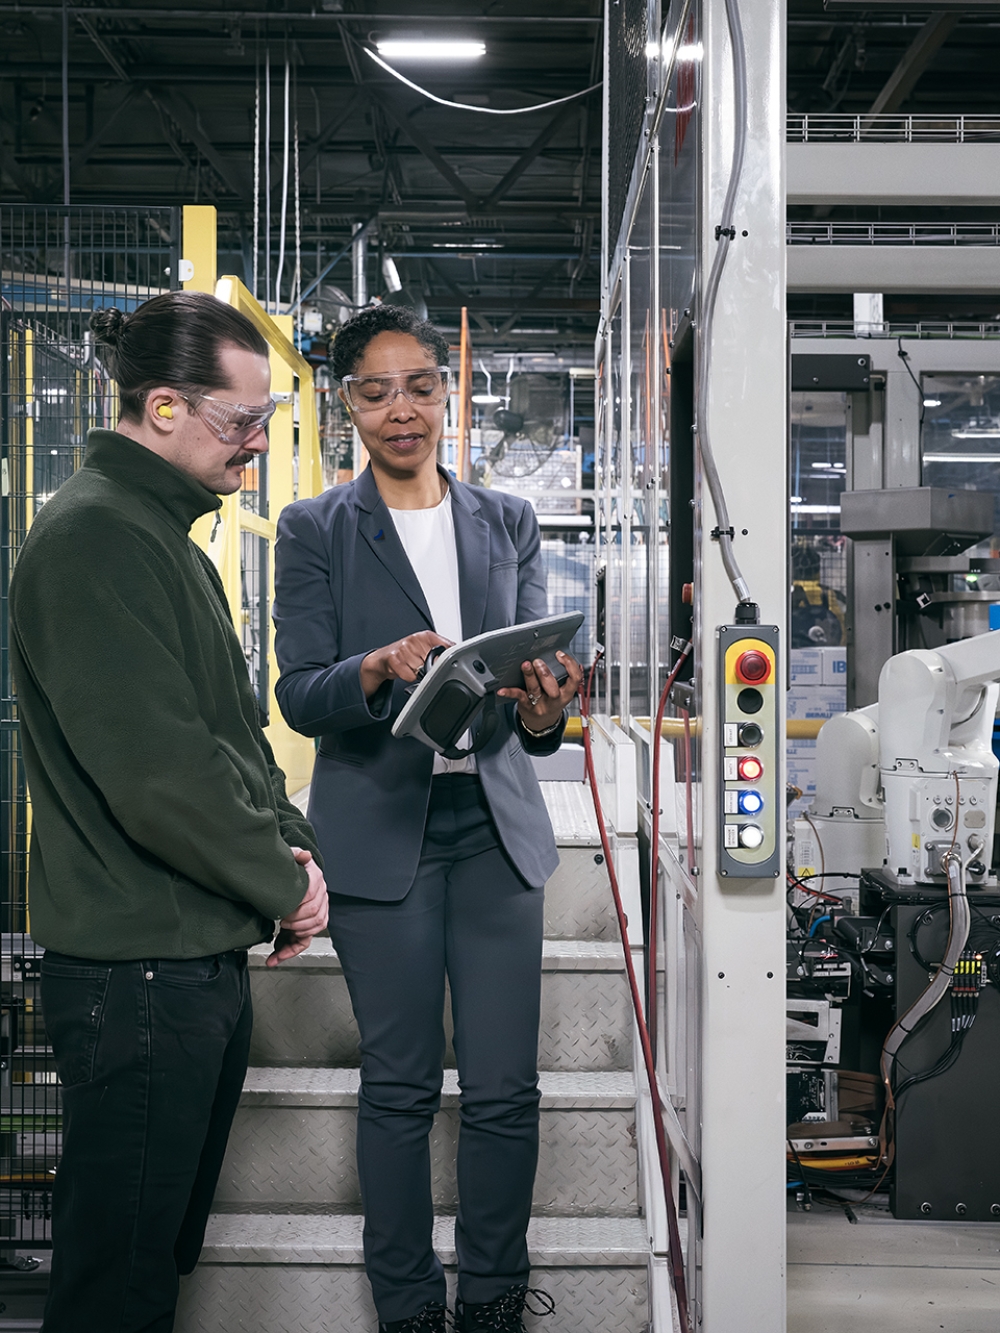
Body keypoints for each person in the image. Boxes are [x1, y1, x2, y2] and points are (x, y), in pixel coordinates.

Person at [8, 290, 330, 1333]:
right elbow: (161, 777)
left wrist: (292, 846)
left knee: (151, 1259)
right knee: (119, 1281)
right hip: (136, 973)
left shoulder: (163, 541)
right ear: (158, 409)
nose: (254, 446)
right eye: (239, 421)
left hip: (182, 961)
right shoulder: (95, 541)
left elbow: (230, 741)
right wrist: (282, 882)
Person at [273, 304, 583, 1333]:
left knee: (503, 1087)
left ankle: (490, 1298)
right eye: (375, 390)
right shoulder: (316, 528)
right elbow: (300, 693)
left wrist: (546, 706)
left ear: (449, 394)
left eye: (418, 386)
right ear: (346, 403)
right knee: (400, 1084)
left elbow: (533, 706)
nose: (399, 409)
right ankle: (407, 1304)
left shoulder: (507, 521)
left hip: (491, 829)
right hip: (383, 829)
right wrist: (375, 666)